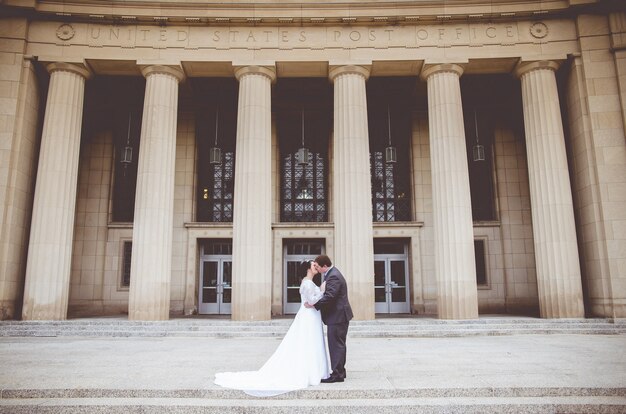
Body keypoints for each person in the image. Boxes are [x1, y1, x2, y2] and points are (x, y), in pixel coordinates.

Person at [214, 260, 330, 396]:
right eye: (313, 265)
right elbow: (311, 301)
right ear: (308, 269)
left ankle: (315, 369)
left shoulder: (307, 282)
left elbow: (310, 301)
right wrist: (322, 291)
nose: (316, 267)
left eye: (316, 265)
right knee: (309, 341)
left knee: (311, 342)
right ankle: (311, 371)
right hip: (309, 316)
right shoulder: (308, 283)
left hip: (311, 315)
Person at [304, 254, 353, 383]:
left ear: (325, 266)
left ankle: (337, 374)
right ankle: (340, 371)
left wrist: (314, 305)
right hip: (337, 316)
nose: (317, 269)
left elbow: (331, 296)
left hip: (337, 317)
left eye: (318, 267)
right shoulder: (332, 274)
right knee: (338, 344)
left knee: (336, 345)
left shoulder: (334, 276)